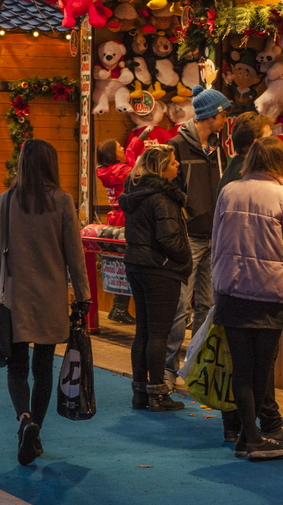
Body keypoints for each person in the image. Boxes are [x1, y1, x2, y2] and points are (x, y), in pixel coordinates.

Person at [0, 140, 90, 467]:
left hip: (15, 298)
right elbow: (74, 255)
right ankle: (37, 431)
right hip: (51, 298)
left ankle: (24, 419)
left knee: (16, 367)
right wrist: (83, 296)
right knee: (43, 369)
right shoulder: (63, 201)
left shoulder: (5, 201)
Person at [211, 137, 283, 461]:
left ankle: (247, 437)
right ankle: (252, 439)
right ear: (278, 162)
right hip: (268, 290)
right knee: (261, 369)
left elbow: (216, 239)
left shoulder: (229, 191)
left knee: (241, 369)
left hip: (231, 287)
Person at [163, 85, 231, 382]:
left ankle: (195, 367)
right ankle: (168, 367)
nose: (225, 120)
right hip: (189, 236)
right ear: (210, 115)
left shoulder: (218, 148)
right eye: (223, 114)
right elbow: (168, 187)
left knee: (207, 304)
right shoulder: (176, 146)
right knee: (180, 305)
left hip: (215, 235)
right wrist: (185, 214)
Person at [118, 145, 190, 412]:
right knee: (159, 334)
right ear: (161, 168)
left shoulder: (135, 192)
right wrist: (184, 258)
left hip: (137, 265)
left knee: (143, 332)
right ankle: (158, 394)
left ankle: (140, 392)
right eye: (172, 162)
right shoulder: (163, 197)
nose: (177, 165)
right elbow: (168, 237)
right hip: (160, 269)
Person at [95, 139, 134, 325]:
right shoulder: (121, 170)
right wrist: (133, 149)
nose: (123, 148)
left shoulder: (106, 171)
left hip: (114, 218)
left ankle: (118, 307)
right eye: (119, 147)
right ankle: (120, 308)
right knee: (128, 264)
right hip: (125, 219)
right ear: (113, 153)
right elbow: (138, 175)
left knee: (120, 264)